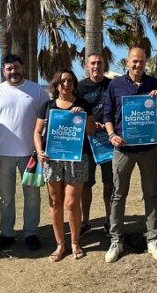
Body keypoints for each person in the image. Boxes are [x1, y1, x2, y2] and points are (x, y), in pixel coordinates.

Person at [103, 47, 157, 263]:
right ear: (127, 62)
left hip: (149, 149)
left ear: (145, 63)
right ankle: (116, 239)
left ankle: (152, 238)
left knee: (151, 194)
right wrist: (112, 134)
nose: (138, 65)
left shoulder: (154, 83)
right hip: (123, 148)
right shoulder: (115, 85)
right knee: (118, 194)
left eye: (141, 61)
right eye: (134, 61)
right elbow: (107, 114)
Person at [0, 54, 50, 252]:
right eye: (9, 68)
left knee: (33, 197)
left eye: (16, 67)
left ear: (23, 68)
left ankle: (31, 233)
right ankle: (7, 234)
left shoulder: (38, 91)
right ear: (3, 70)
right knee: (6, 198)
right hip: (1, 156)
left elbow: (49, 118)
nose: (13, 72)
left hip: (31, 155)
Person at [34, 70, 96, 261]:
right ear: (56, 85)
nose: (66, 84)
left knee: (71, 202)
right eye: (62, 81)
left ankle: (75, 242)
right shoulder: (47, 106)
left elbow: (92, 131)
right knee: (55, 202)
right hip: (52, 159)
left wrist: (83, 117)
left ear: (74, 84)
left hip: (76, 159)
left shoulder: (83, 104)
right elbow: (37, 132)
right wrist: (39, 151)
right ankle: (60, 244)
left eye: (69, 81)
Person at [77, 53, 113, 237]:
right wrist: (88, 125)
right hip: (86, 143)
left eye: (99, 62)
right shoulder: (79, 87)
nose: (96, 66)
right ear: (86, 65)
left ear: (104, 64)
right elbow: (72, 112)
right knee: (86, 184)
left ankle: (109, 221)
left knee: (110, 184)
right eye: (93, 63)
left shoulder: (111, 85)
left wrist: (107, 126)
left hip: (108, 143)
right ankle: (86, 221)